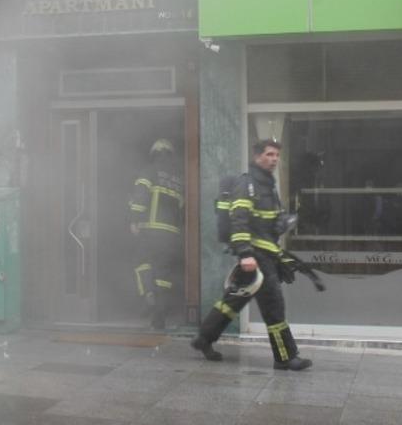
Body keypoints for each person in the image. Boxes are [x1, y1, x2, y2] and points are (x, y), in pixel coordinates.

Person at [191, 139, 312, 371]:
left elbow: (269, 223)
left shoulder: (268, 185)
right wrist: (245, 254)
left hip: (266, 254)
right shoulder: (248, 184)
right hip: (255, 256)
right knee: (273, 304)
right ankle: (285, 357)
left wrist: (282, 222)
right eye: (269, 154)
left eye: (276, 155)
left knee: (234, 300)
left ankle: (203, 339)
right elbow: (239, 220)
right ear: (257, 157)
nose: (274, 159)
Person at [128, 138, 184, 329]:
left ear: (154, 153)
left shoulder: (149, 171)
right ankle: (159, 317)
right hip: (171, 235)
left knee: (140, 262)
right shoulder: (178, 180)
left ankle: (148, 292)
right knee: (164, 275)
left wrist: (134, 220)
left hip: (150, 229)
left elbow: (139, 198)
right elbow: (181, 209)